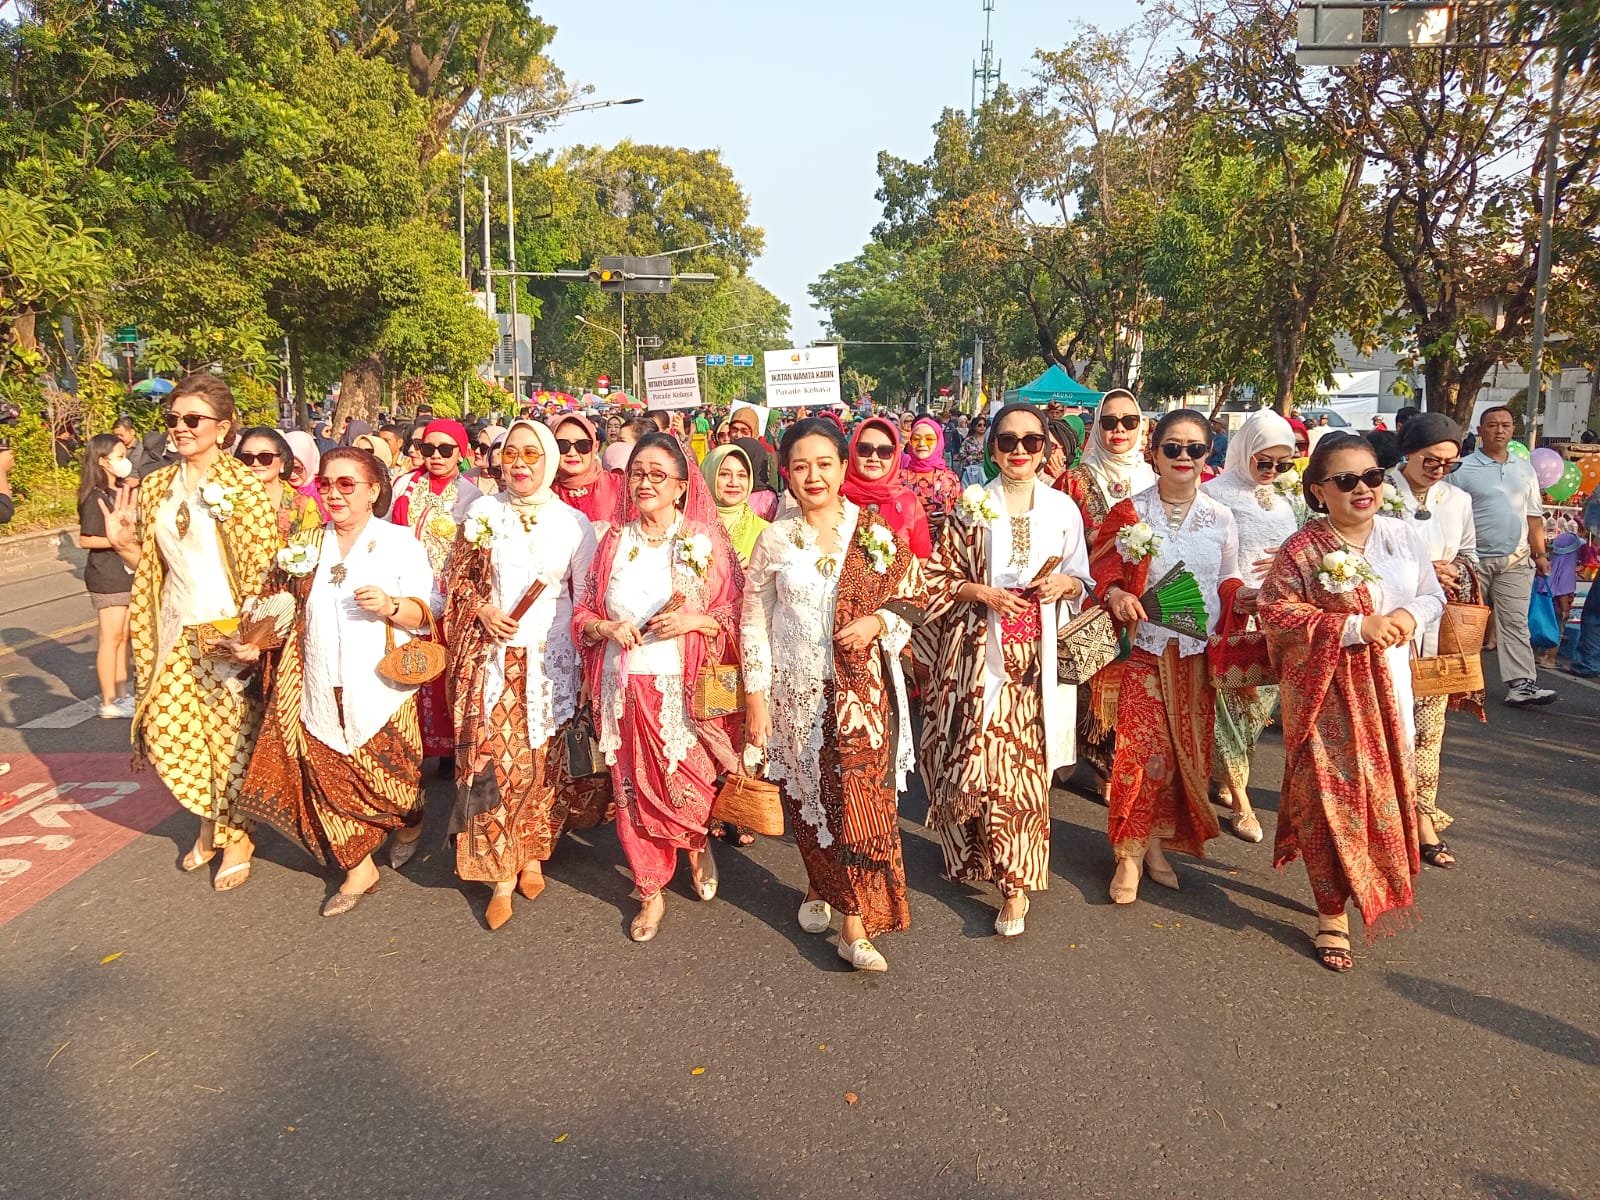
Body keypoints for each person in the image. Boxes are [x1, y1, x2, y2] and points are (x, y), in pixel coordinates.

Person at [743, 418, 927, 971]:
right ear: (787, 475)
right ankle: (819, 883)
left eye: (824, 463)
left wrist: (875, 623)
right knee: (809, 801)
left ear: (844, 468)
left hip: (861, 697)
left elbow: (912, 596)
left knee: (860, 805)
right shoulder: (774, 539)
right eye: (800, 466)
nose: (813, 475)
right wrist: (756, 695)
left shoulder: (870, 535)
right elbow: (754, 619)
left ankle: (854, 925)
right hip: (795, 695)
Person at [1260, 433, 1444, 970]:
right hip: (1324, 694)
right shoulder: (1304, 548)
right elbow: (1276, 611)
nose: (1362, 489)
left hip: (1390, 686)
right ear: (1319, 491)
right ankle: (1330, 914)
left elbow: (1432, 593)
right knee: (1327, 802)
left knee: (1379, 796)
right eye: (1346, 481)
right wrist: (1352, 626)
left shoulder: (1403, 537)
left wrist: (1409, 618)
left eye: (1372, 477)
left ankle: (1374, 881)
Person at [98, 373, 280, 890]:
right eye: (173, 419)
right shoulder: (156, 484)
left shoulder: (242, 486)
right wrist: (122, 545)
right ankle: (209, 819)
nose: (180, 428)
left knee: (228, 738)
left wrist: (253, 638)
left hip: (226, 630)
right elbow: (153, 567)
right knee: (170, 731)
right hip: (174, 628)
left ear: (222, 429)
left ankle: (235, 833)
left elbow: (263, 571)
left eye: (193, 420)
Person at [235, 447, 435, 916]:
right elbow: (277, 605)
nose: (334, 493)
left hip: (382, 684)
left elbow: (429, 612)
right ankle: (358, 867)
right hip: (316, 680)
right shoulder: (304, 546)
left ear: (373, 492)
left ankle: (410, 819)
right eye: (326, 484)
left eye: (347, 484)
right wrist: (253, 641)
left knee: (397, 783)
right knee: (326, 776)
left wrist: (390, 605)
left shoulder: (399, 541)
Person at [916, 404, 1090, 937]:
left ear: (1046, 448)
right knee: (972, 768)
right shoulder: (972, 506)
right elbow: (937, 577)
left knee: (1020, 778)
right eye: (1008, 441)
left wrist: (1066, 585)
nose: (1019, 451)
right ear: (991, 448)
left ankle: (1015, 887)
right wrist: (978, 591)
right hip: (973, 659)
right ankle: (973, 857)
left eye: (1031, 442)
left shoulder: (1064, 509)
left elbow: (1081, 577)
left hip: (1034, 669)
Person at [573, 433, 742, 943]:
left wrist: (694, 620)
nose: (645, 483)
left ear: (681, 486)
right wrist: (604, 629)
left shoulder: (705, 541)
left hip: (688, 689)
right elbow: (583, 611)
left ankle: (695, 843)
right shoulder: (611, 541)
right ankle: (649, 888)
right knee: (632, 792)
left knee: (689, 782)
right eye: (638, 473)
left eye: (657, 475)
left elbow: (735, 612)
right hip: (623, 688)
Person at [444, 421, 598, 930]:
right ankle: (501, 874)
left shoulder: (574, 524)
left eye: (532, 453)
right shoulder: (484, 512)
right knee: (496, 763)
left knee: (540, 764)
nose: (520, 462)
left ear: (550, 461)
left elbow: (587, 599)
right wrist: (483, 610)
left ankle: (532, 852)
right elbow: (458, 581)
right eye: (511, 453)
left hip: (551, 663)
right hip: (494, 660)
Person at [1092, 409, 1237, 903]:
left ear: (1206, 456)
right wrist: (1115, 596)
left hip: (1195, 657)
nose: (1183, 457)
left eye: (1194, 449)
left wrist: (1249, 599)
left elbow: (1228, 581)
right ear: (1153, 452)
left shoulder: (1221, 516)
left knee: (1180, 759)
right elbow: (1100, 571)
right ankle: (1128, 857)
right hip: (1143, 652)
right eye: (1172, 447)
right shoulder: (1130, 513)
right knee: (1139, 756)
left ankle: (1156, 846)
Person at [1200, 409, 1303, 843]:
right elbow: (1207, 553)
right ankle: (1241, 799)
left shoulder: (1285, 500)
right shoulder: (1213, 494)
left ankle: (1227, 774)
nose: (1274, 472)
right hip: (1229, 608)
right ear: (1244, 453)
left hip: (1274, 615)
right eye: (1265, 463)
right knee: (1229, 702)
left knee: (1258, 708)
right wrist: (1235, 590)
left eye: (1284, 465)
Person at [1389, 413, 1480, 869]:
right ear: (1409, 451)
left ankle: (1421, 815)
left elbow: (1469, 557)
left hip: (1436, 632)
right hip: (1385, 627)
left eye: (1451, 462)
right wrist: (1420, 570)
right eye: (1432, 459)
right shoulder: (1377, 491)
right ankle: (1390, 815)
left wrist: (1453, 572)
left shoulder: (1457, 501)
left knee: (1429, 730)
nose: (1440, 469)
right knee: (1388, 727)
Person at [1058, 387, 1157, 798]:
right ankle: (1100, 764)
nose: (1119, 430)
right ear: (1096, 426)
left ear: (1141, 428)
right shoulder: (1075, 480)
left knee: (1136, 682)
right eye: (1109, 422)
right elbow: (1060, 536)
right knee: (1094, 682)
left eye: (1128, 422)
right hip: (1090, 595)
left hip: (1145, 597)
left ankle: (1124, 761)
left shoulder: (1154, 478)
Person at [390, 418, 482, 802]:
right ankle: (410, 746)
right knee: (405, 671)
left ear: (461, 453)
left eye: (447, 450)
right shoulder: (404, 486)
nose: (437, 457)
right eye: (430, 449)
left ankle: (447, 752)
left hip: (448, 596)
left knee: (444, 672)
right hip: (404, 592)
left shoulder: (472, 497)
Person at [1452, 407, 1557, 706]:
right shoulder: (1462, 469)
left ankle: (1522, 684)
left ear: (1514, 430)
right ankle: (1458, 683)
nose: (1499, 430)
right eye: (1492, 425)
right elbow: (1447, 512)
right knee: (1466, 624)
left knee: (1515, 623)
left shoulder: (1525, 469)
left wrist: (1540, 554)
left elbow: (1534, 516)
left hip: (1516, 559)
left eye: (1506, 425)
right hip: (1473, 559)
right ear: (1480, 430)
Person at [77, 434, 137, 717]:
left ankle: (123, 693)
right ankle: (108, 700)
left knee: (124, 637)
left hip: (125, 572)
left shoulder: (117, 493)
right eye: (119, 456)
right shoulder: (94, 497)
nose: (124, 462)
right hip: (107, 575)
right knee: (110, 637)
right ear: (103, 461)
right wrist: (118, 541)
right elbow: (86, 539)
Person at [841, 416, 933, 558]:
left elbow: (922, 559)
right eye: (865, 449)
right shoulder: (837, 498)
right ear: (853, 449)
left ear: (895, 455)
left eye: (884, 451)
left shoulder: (908, 502)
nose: (874, 457)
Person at [235, 426, 322, 542]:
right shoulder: (229, 499)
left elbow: (311, 549)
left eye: (265, 457)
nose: (255, 463)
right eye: (247, 458)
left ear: (282, 463)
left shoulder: (303, 506)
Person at [701, 443, 769, 565]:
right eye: (724, 474)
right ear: (709, 475)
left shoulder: (765, 532)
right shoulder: (689, 527)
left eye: (742, 475)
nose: (734, 483)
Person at [552, 413, 623, 526]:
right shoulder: (544, 495)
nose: (572, 453)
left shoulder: (620, 487)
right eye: (562, 445)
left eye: (582, 445)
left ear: (595, 446)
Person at [901, 415, 963, 543]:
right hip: (906, 546)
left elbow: (962, 517)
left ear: (939, 441)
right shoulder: (898, 478)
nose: (922, 444)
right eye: (916, 439)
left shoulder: (950, 479)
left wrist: (946, 520)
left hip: (941, 548)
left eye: (929, 439)